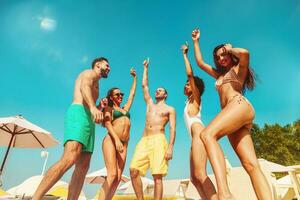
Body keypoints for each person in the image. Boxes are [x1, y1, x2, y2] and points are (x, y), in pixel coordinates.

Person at [191, 28, 272, 200]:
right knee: (251, 165)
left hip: (239, 105)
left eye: (224, 54)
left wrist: (230, 48)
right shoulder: (218, 75)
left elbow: (245, 53)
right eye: (218, 57)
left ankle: (224, 194)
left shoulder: (238, 69)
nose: (221, 58)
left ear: (229, 54)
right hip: (233, 115)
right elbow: (199, 62)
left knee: (207, 134)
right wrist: (196, 41)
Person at [33, 57, 110, 200]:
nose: (109, 68)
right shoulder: (90, 73)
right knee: (70, 157)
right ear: (98, 65)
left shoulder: (98, 83)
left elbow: (90, 104)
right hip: (78, 113)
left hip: (88, 118)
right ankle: (35, 198)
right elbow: (84, 87)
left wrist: (99, 107)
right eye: (107, 65)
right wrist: (94, 107)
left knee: (83, 166)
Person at [129, 59, 176, 200]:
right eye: (157, 90)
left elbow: (173, 128)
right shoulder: (150, 104)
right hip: (144, 140)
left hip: (159, 140)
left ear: (165, 95)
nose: (157, 91)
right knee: (133, 171)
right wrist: (145, 68)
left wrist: (170, 147)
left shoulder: (170, 109)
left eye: (160, 90)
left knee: (157, 176)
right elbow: (144, 85)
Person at [181, 43, 218, 200]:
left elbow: (190, 74)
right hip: (193, 139)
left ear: (195, 87)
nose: (186, 84)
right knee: (194, 179)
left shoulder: (196, 98)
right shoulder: (188, 102)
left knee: (201, 174)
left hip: (199, 135)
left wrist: (185, 54)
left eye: (188, 84)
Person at [98, 68, 137, 200]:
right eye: (117, 95)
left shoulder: (125, 109)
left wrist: (135, 78)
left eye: (121, 95)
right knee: (112, 174)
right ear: (111, 97)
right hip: (112, 140)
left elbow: (132, 95)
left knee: (118, 177)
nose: (120, 96)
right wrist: (117, 140)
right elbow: (108, 124)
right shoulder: (109, 108)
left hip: (124, 143)